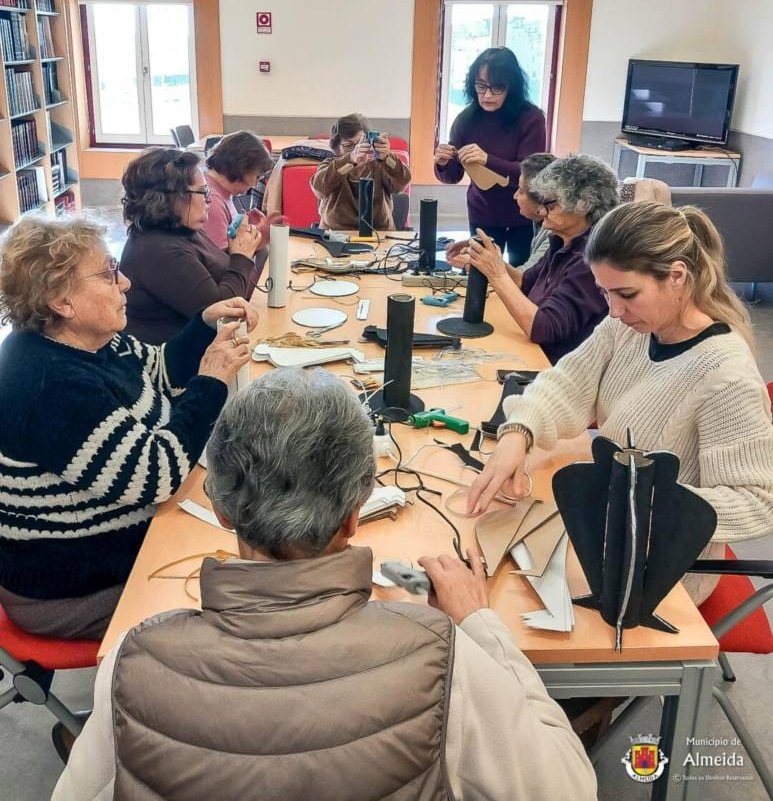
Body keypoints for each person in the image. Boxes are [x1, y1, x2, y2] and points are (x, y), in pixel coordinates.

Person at [53, 366, 596, 801]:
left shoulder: (132, 659)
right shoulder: (443, 658)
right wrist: (480, 624)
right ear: (357, 510)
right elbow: (570, 787)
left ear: (219, 506)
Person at [467, 201, 773, 605]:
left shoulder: (725, 376)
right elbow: (568, 382)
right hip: (605, 526)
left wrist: (640, 500)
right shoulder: (628, 326)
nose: (613, 309)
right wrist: (518, 434)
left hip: (659, 571)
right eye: (605, 293)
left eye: (626, 294)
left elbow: (756, 501)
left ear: (677, 277)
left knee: (501, 602)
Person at [0, 214, 256, 641]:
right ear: (62, 301)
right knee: (253, 591)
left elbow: (158, 372)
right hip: (74, 587)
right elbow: (157, 475)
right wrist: (212, 381)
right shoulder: (49, 383)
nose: (125, 284)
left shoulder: (89, 337)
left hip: (127, 538)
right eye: (108, 274)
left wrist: (205, 322)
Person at [453, 155, 619, 364]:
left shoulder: (591, 260)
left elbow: (543, 328)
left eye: (550, 204)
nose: (541, 211)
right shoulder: (563, 241)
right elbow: (526, 282)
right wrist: (489, 259)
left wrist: (496, 273)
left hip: (552, 367)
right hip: (533, 353)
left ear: (582, 205)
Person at [119, 147, 263, 344]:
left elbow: (213, 271)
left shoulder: (181, 228)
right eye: (203, 192)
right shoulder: (158, 250)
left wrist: (239, 247)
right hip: (177, 365)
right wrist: (242, 257)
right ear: (173, 196)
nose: (209, 200)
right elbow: (222, 313)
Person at [434, 47, 546, 266]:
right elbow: (452, 177)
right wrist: (443, 163)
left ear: (511, 88)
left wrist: (488, 159)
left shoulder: (531, 119)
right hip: (483, 210)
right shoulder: (466, 119)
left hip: (523, 212)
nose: (486, 95)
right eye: (481, 86)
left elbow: (532, 173)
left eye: (497, 88)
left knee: (522, 271)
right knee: (480, 273)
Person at [447, 151, 556, 276]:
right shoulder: (539, 222)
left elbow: (523, 278)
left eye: (520, 191)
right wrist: (482, 250)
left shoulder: (555, 235)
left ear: (540, 199)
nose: (515, 196)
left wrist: (477, 263)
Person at [311, 113, 411, 231]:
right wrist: (350, 159)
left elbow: (402, 182)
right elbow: (319, 187)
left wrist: (387, 157)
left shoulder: (379, 165)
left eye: (361, 143)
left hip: (380, 234)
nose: (357, 150)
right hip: (336, 234)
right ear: (337, 148)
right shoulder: (331, 165)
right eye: (348, 146)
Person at [202, 131, 278, 250]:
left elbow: (227, 233)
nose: (255, 183)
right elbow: (221, 262)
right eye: (257, 176)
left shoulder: (220, 189)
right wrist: (260, 240)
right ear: (242, 168)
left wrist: (245, 226)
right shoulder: (212, 202)